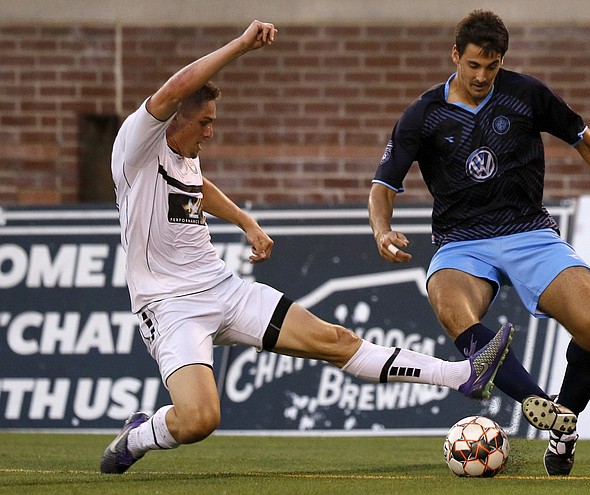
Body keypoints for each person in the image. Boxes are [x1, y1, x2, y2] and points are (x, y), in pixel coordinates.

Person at [101, 19, 513, 475]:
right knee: (200, 419)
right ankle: (138, 434)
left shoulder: (184, 156)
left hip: (223, 290)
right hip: (168, 305)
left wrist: (244, 220)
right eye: (204, 122)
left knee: (336, 340)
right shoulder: (136, 146)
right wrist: (240, 46)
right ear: (175, 114)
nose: (210, 132)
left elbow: (197, 186)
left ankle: (462, 376)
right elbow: (179, 84)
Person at [368, 10, 590, 476]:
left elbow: (586, 141)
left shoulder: (526, 94)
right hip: (461, 243)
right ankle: (535, 400)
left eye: (492, 66)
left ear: (502, 61)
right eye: (473, 66)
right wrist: (382, 229)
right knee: (451, 308)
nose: (482, 76)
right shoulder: (423, 114)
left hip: (530, 232)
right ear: (455, 56)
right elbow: (383, 185)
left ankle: (563, 426)